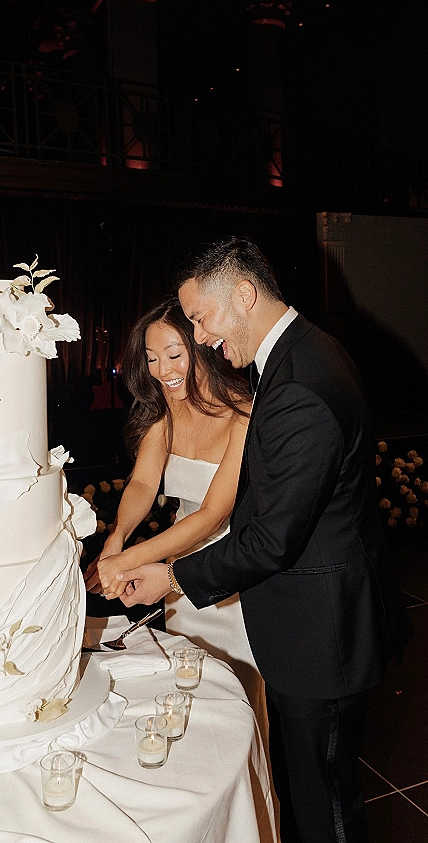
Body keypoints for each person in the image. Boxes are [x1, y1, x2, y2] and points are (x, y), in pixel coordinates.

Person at [116, 237, 412, 843]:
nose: (199, 339)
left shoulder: (298, 386)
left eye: (200, 319)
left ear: (245, 295)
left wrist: (171, 575)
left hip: (321, 637)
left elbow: (273, 538)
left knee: (324, 805)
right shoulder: (303, 357)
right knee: (308, 792)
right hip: (311, 621)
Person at [83, 296, 264, 708]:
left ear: (201, 348)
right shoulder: (165, 412)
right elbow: (143, 484)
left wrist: (129, 562)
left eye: (173, 354)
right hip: (175, 578)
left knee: (237, 697)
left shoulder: (244, 415)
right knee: (186, 686)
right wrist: (116, 541)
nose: (162, 370)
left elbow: (212, 515)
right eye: (151, 358)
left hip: (231, 575)